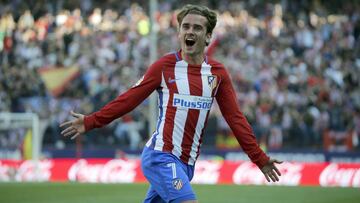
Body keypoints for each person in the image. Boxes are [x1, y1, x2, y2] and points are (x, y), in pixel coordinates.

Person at [60, 4, 282, 203]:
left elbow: (235, 119)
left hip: (187, 165)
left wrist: (259, 158)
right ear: (179, 33)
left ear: (207, 37)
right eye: (185, 26)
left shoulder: (217, 73)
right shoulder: (164, 67)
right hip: (160, 157)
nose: (190, 31)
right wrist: (91, 121)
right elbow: (129, 99)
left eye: (197, 28)